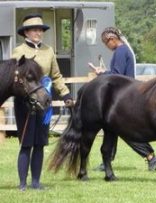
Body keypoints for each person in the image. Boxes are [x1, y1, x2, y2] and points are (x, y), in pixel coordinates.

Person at [12, 14, 74, 191]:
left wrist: (65, 94)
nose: (38, 33)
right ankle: (23, 183)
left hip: (44, 102)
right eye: (34, 30)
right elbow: (16, 78)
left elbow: (56, 76)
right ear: (26, 33)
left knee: (40, 143)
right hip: (25, 104)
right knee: (26, 143)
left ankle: (36, 182)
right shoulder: (18, 52)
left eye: (40, 30)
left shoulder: (49, 50)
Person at [89, 27, 156, 172]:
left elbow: (117, 75)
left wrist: (101, 73)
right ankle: (107, 160)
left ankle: (151, 157)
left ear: (112, 39)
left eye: (106, 43)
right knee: (111, 128)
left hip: (124, 96)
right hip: (127, 94)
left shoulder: (121, 52)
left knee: (124, 129)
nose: (106, 46)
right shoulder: (124, 50)